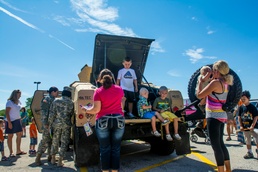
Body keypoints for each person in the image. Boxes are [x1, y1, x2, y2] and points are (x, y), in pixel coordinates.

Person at [81, 69, 125, 172]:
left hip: (103, 120)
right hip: (118, 119)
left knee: (105, 148)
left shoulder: (98, 91)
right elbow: (121, 106)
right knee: (116, 148)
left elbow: (96, 109)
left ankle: (105, 170)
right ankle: (114, 171)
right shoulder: (119, 89)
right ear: (112, 78)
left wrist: (85, 109)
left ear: (100, 79)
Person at [196, 60, 233, 172]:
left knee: (215, 146)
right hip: (221, 116)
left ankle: (221, 170)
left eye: (213, 70)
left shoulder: (215, 83)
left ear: (216, 71)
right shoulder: (226, 83)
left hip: (213, 116)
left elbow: (199, 95)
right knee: (221, 144)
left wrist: (201, 82)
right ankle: (228, 169)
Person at [48, 86, 74, 166]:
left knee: (55, 141)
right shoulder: (71, 102)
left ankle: (53, 158)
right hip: (66, 125)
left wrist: (50, 123)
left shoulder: (56, 101)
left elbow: (52, 114)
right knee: (64, 142)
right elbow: (72, 114)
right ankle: (60, 160)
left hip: (56, 124)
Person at [35, 86, 59, 166]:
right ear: (53, 92)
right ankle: (38, 158)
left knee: (51, 141)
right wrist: (45, 123)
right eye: (57, 92)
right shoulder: (47, 100)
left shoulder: (54, 100)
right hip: (48, 124)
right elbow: (44, 113)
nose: (57, 93)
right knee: (45, 141)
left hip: (53, 124)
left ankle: (50, 157)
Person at [5, 89, 27, 157]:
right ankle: (11, 152)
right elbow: (7, 113)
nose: (20, 95)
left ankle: (18, 150)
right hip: (10, 120)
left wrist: (20, 118)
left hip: (17, 120)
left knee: (19, 134)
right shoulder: (9, 102)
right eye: (19, 94)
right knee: (10, 136)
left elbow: (17, 111)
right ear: (15, 94)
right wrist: (9, 122)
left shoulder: (19, 102)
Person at [237, 90, 258, 159]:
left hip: (253, 127)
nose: (242, 100)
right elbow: (239, 117)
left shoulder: (252, 107)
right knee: (247, 140)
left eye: (244, 99)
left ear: (248, 98)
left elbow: (256, 116)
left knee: (256, 139)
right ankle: (249, 152)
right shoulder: (241, 107)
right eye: (241, 99)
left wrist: (252, 125)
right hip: (245, 127)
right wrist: (240, 125)